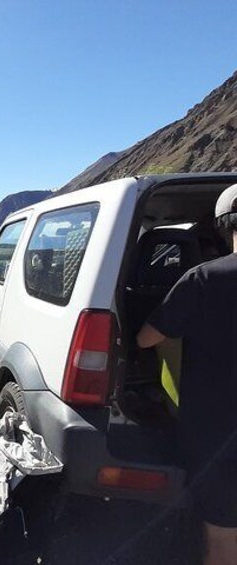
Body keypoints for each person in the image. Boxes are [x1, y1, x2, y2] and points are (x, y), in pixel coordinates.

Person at [137, 184, 237, 565]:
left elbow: (147, 339)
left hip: (218, 432)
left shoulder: (203, 280)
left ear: (222, 227)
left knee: (223, 536)